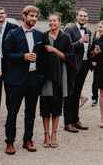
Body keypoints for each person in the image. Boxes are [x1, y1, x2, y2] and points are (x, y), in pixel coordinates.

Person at [0, 5, 43, 154]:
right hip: (16, 79)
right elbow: (6, 55)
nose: (34, 19)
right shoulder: (13, 34)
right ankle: (10, 142)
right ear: (24, 16)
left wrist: (41, 75)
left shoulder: (39, 35)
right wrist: (23, 57)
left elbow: (42, 56)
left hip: (34, 79)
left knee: (30, 112)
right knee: (13, 112)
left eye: (36, 16)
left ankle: (28, 140)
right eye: (31, 16)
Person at [38, 12, 71, 149]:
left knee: (57, 107)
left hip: (60, 75)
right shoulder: (44, 36)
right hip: (46, 75)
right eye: (50, 21)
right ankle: (46, 134)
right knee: (45, 107)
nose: (52, 23)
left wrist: (54, 50)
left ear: (59, 22)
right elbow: (39, 55)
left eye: (54, 21)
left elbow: (68, 57)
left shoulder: (66, 37)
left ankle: (54, 134)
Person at [61, 8, 91, 132]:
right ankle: (67, 122)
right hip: (72, 66)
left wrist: (93, 52)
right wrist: (80, 41)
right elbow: (67, 48)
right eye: (81, 16)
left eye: (85, 16)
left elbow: (86, 50)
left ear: (87, 18)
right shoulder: (69, 29)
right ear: (77, 16)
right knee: (69, 94)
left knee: (77, 93)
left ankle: (75, 119)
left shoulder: (88, 30)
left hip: (84, 66)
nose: (83, 18)